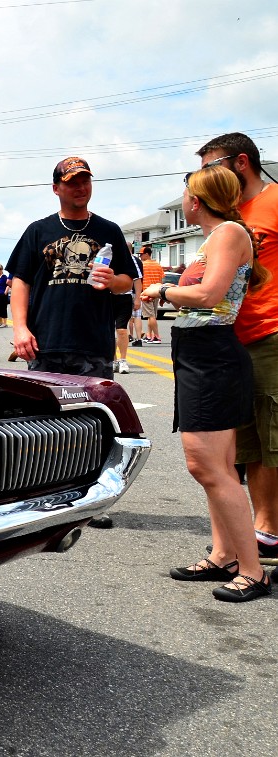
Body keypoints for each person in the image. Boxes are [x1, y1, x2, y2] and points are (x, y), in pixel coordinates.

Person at [142, 164, 271, 601]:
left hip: (214, 357)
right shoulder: (216, 239)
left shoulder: (230, 232)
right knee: (219, 467)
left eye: (185, 195)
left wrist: (163, 292)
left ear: (195, 201)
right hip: (200, 355)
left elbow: (208, 296)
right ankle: (224, 555)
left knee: (208, 467)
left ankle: (253, 571)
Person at [6, 158, 134, 528]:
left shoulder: (109, 230)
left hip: (93, 341)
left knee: (94, 421)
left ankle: (92, 496)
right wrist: (19, 329)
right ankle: (43, 491)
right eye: (72, 182)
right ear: (56, 188)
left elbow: (128, 280)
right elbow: (20, 282)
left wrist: (113, 281)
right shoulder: (38, 230)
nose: (80, 187)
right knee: (43, 420)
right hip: (46, 340)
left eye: (85, 181)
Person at [196, 133, 278, 560]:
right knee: (245, 441)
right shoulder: (229, 218)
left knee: (271, 436)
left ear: (241, 161)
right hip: (233, 338)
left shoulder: (274, 201)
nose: (208, 177)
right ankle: (252, 533)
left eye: (213, 166)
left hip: (271, 332)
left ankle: (268, 529)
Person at [112, 242, 143, 374]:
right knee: (108, 331)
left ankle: (123, 360)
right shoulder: (107, 256)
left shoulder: (130, 260)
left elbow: (137, 279)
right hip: (108, 297)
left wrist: (137, 298)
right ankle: (113, 360)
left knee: (122, 330)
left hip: (124, 297)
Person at [138, 246, 165, 343]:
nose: (140, 256)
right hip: (156, 292)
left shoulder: (142, 265)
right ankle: (149, 336)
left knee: (150, 316)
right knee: (151, 315)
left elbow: (139, 280)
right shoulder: (158, 265)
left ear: (147, 254)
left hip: (146, 293)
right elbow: (161, 280)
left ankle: (157, 336)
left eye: (141, 254)